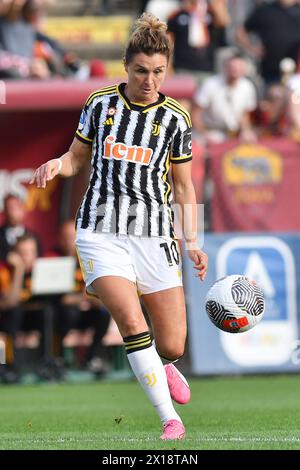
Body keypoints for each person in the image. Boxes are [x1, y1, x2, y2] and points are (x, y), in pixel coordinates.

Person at [30, 12, 208, 440]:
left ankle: (164, 366)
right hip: (100, 230)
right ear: (126, 68)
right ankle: (170, 420)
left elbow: (183, 187)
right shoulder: (100, 104)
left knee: (172, 345)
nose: (150, 81)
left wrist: (193, 240)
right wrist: (58, 164)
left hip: (155, 232)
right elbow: (77, 159)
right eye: (142, 71)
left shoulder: (175, 119)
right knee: (131, 321)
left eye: (159, 72)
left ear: (167, 69)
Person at [191, 52, 257, 144]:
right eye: (232, 67)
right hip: (210, 131)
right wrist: (205, 134)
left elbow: (244, 114)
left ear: (244, 69)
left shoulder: (247, 86)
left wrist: (246, 130)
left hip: (233, 134)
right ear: (225, 68)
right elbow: (195, 114)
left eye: (239, 67)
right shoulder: (210, 84)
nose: (235, 70)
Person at [0, 193, 41, 262]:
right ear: (4, 211)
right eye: (8, 208)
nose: (11, 212)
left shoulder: (34, 237)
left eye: (15, 208)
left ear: (22, 210)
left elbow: (40, 261)